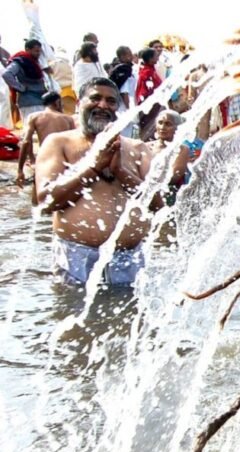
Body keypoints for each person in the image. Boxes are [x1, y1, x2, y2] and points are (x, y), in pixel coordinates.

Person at [35, 77, 159, 286]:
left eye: (111, 101)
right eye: (95, 98)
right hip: (76, 259)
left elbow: (156, 203)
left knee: (131, 317)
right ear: (78, 103)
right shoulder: (59, 143)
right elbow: (46, 201)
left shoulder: (137, 147)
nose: (103, 105)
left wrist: (120, 171)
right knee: (71, 314)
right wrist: (94, 167)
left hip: (129, 260)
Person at [17, 91, 75, 190]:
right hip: (65, 161)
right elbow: (74, 143)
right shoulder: (68, 119)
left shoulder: (34, 116)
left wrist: (20, 170)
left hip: (44, 159)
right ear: (57, 102)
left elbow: (26, 142)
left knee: (38, 197)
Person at [2, 39, 47, 125]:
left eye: (39, 51)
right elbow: (6, 74)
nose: (38, 53)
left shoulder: (35, 62)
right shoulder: (20, 61)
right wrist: (20, 87)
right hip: (28, 102)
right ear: (27, 49)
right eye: (36, 51)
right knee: (31, 131)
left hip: (40, 100)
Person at [135, 47, 163, 141]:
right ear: (150, 59)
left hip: (154, 104)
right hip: (149, 105)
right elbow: (146, 91)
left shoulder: (151, 71)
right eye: (156, 56)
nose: (158, 58)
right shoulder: (147, 73)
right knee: (148, 127)